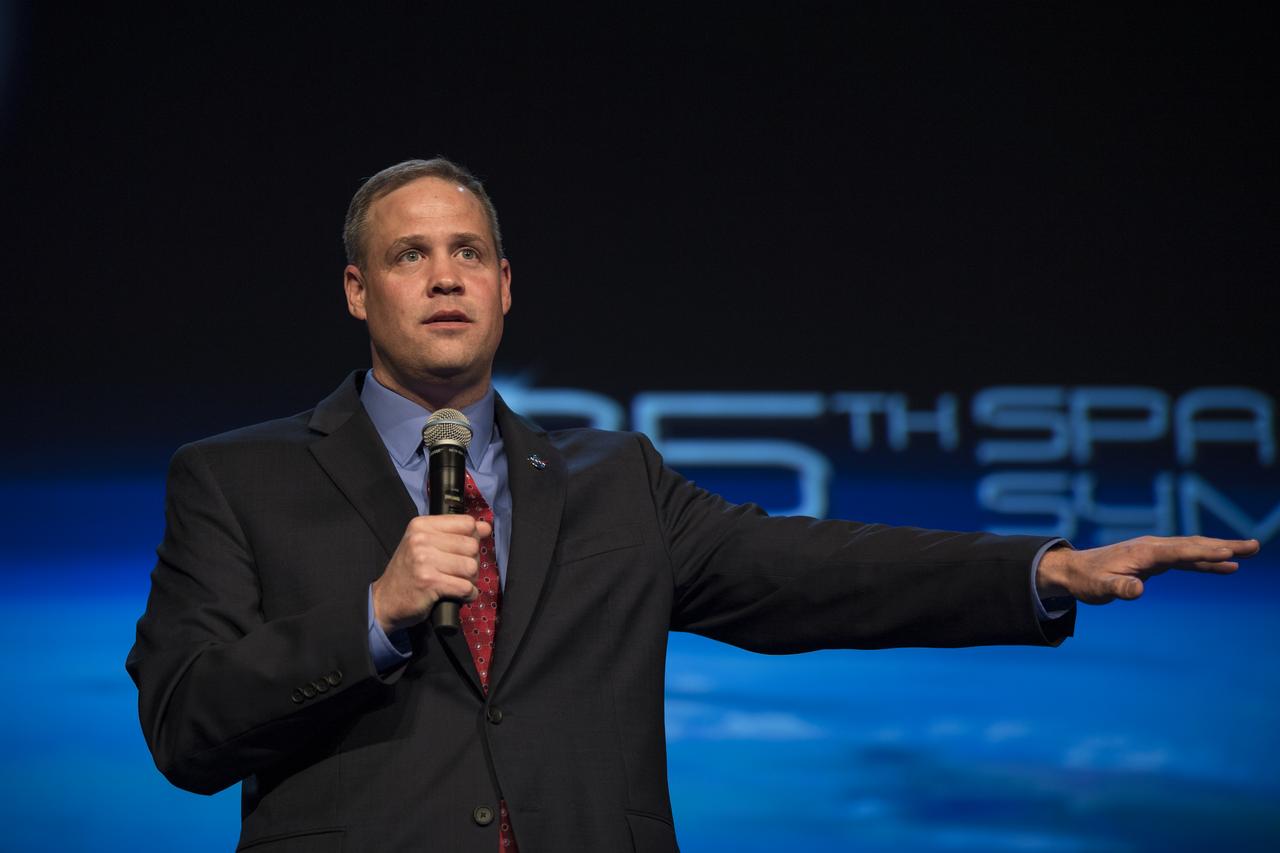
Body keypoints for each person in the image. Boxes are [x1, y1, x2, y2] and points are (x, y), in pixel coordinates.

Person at [126, 158, 1259, 853]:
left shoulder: (611, 479)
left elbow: (812, 569)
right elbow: (185, 726)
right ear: (357, 290)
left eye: (468, 251)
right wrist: (371, 611)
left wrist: (1038, 572)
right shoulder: (237, 478)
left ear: (506, 286)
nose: (443, 275)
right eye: (409, 254)